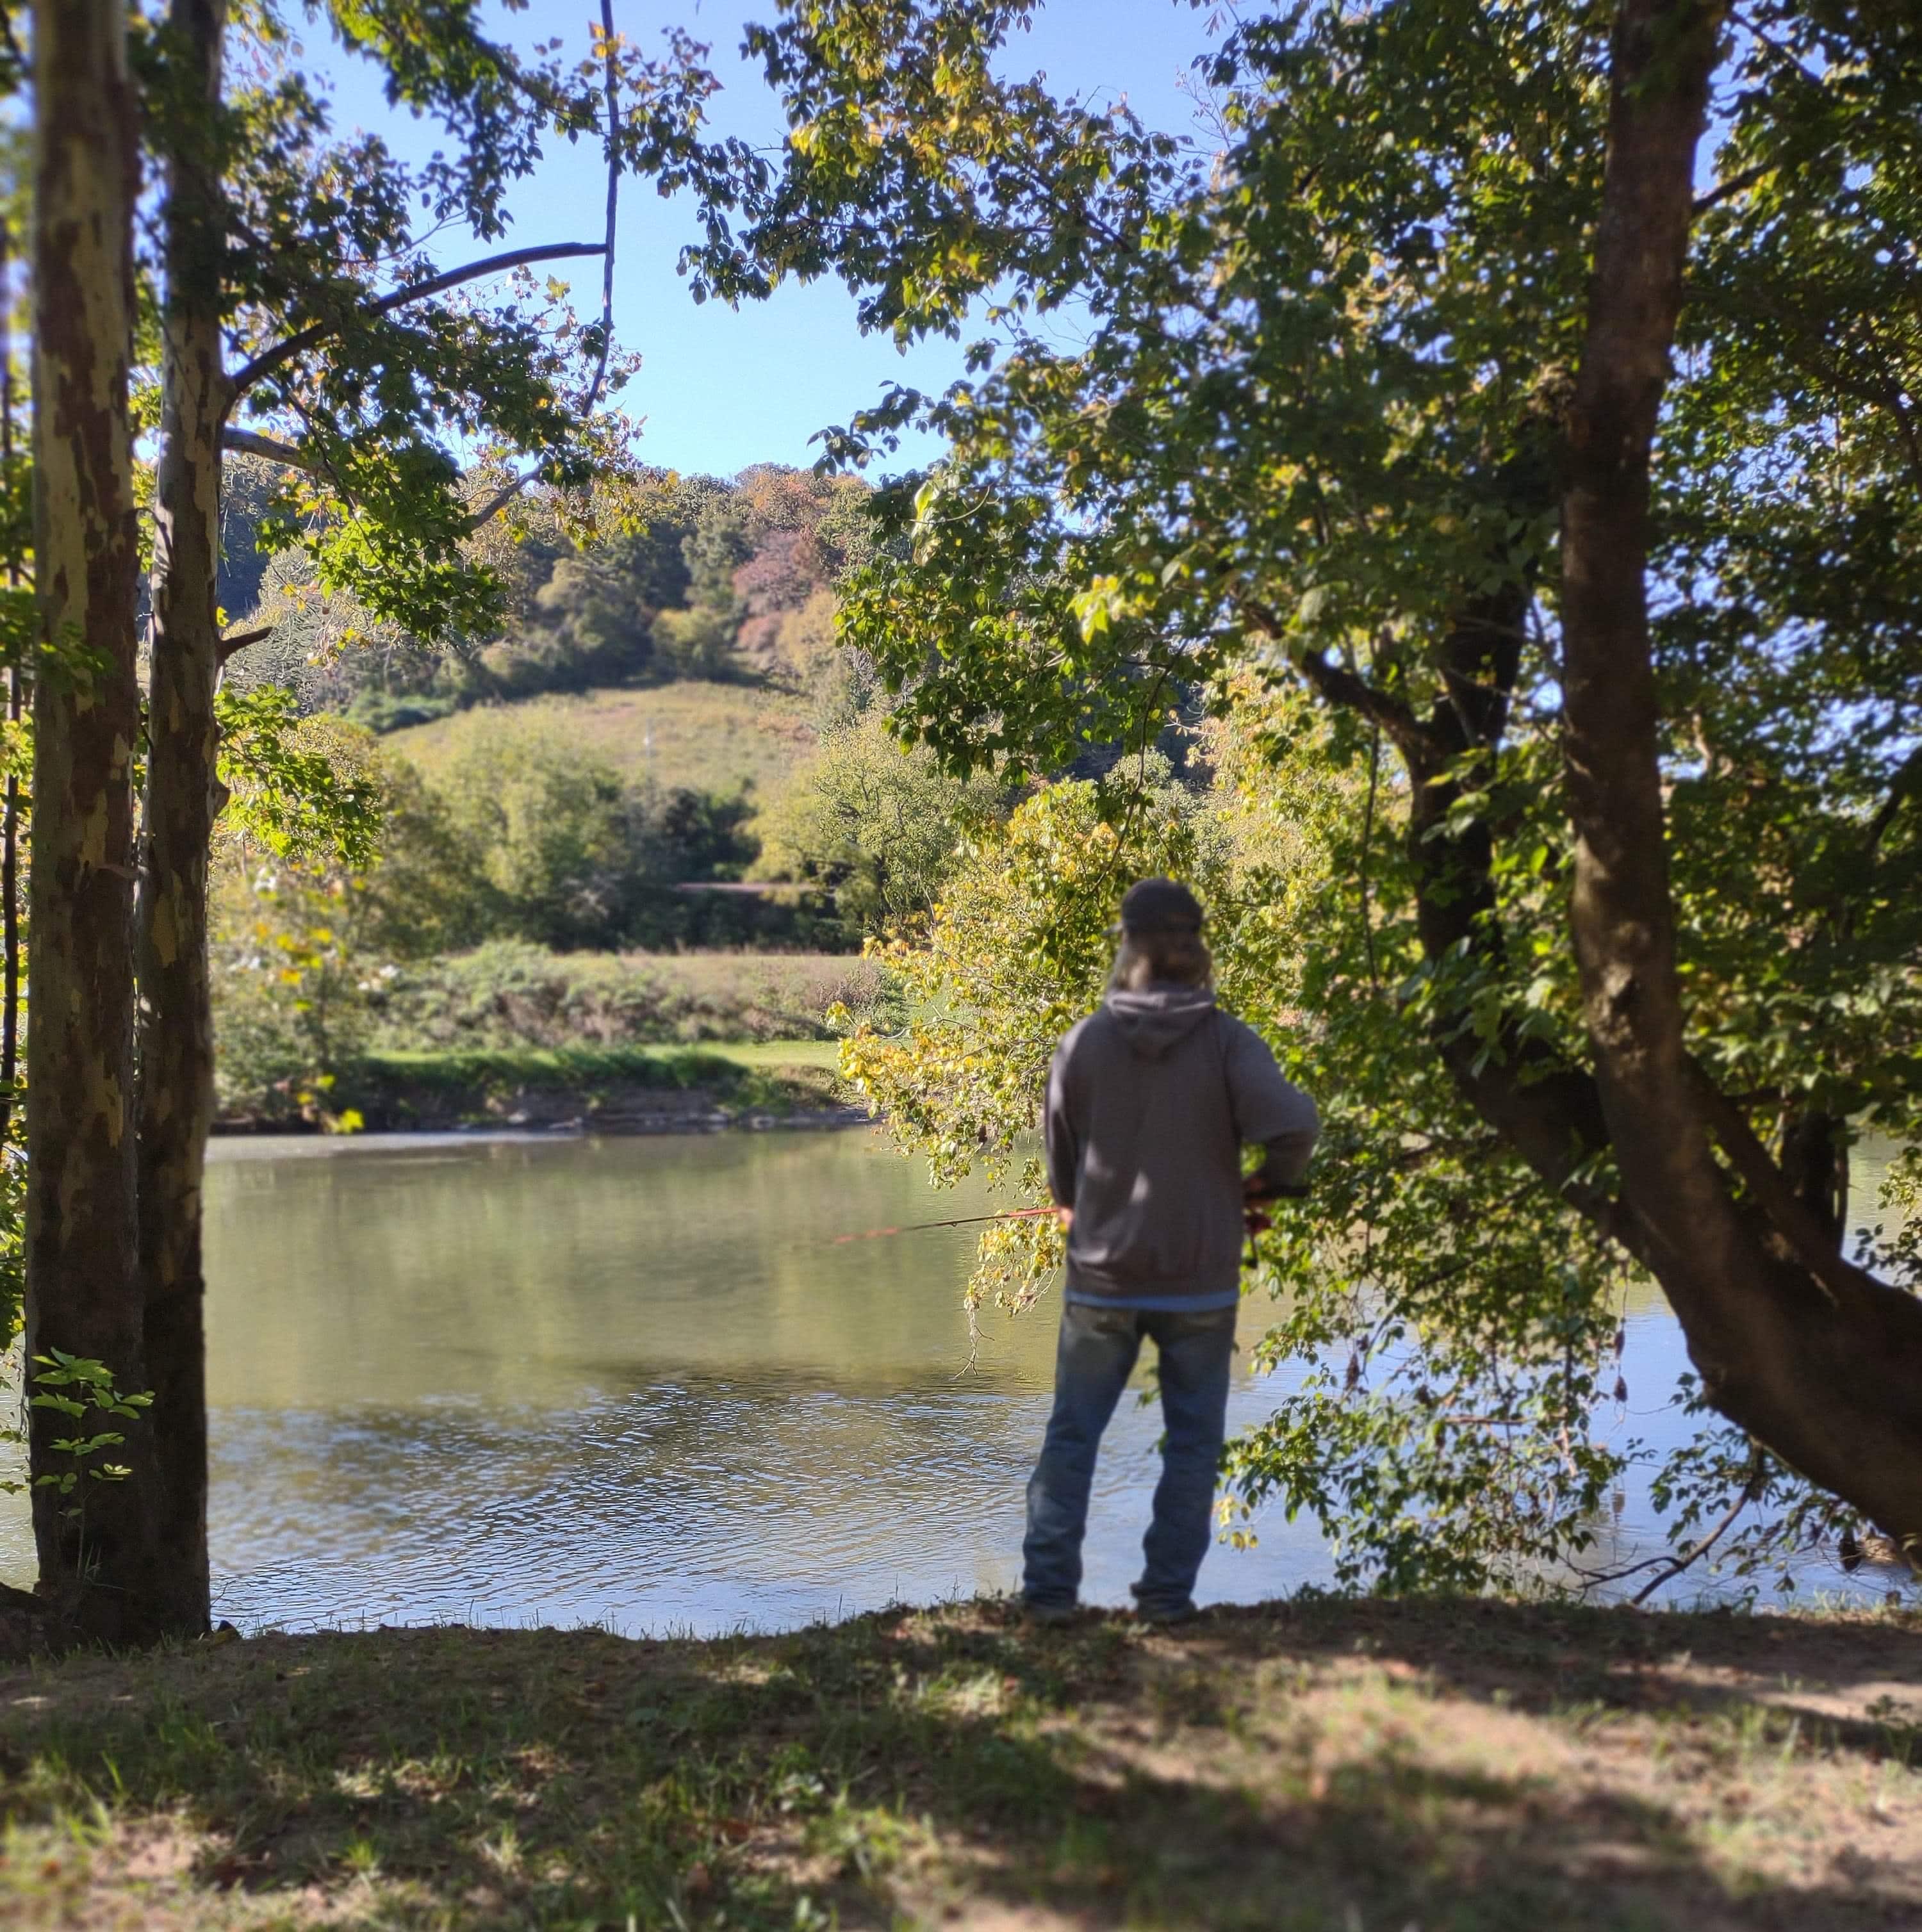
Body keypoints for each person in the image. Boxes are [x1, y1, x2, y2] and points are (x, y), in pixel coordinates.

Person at [1024, 877, 1318, 1626]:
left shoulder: (1084, 1041)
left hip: (1102, 1277)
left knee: (1072, 1435)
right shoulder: (1227, 1041)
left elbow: (1061, 1164)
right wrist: (1269, 1186)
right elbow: (1294, 1128)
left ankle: (1050, 1598)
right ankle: (1164, 1602)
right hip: (1200, 1280)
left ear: (1126, 945)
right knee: (1192, 1444)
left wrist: (1074, 1204)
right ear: (1198, 949)